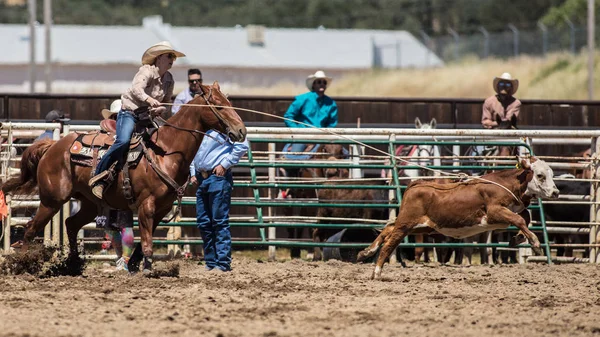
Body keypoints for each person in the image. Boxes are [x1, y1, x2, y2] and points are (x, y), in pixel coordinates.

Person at [89, 41, 185, 199]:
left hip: (148, 117)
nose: (172, 60)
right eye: (169, 56)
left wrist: (160, 109)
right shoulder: (146, 71)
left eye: (173, 57)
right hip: (130, 113)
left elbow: (167, 101)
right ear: (159, 58)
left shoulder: (169, 79)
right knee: (123, 141)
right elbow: (136, 89)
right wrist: (150, 100)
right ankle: (98, 176)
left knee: (162, 143)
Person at [190, 130, 249, 272]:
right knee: (204, 222)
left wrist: (224, 164)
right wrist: (193, 172)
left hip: (218, 177)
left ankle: (222, 263)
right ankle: (211, 262)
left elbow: (242, 145)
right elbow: (193, 150)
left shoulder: (225, 127)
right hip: (202, 177)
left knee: (218, 221)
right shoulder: (202, 127)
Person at [283, 70, 338, 153]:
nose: (322, 84)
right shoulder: (303, 99)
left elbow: (332, 123)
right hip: (303, 136)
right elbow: (288, 116)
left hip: (322, 137)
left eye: (324, 82)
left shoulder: (331, 103)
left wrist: (326, 133)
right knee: (294, 156)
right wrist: (297, 131)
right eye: (319, 82)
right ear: (314, 84)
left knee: (344, 155)